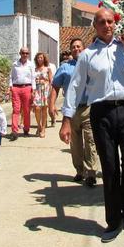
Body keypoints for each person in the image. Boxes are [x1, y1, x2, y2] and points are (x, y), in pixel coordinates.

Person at [60, 9, 124, 242]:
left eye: (110, 21)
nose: (107, 25)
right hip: (101, 113)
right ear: (95, 26)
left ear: (115, 23)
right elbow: (76, 87)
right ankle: (114, 221)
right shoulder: (88, 55)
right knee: (109, 168)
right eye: (102, 22)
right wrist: (67, 120)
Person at [49, 38, 99, 186]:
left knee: (90, 141)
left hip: (89, 108)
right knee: (75, 143)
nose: (76, 49)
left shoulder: (91, 65)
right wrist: (51, 104)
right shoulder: (64, 68)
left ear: (84, 49)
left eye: (79, 46)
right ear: (70, 50)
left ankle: (91, 172)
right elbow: (55, 86)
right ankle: (79, 170)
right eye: (73, 47)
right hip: (71, 111)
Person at [9, 46, 34, 139]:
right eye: (23, 53)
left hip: (27, 87)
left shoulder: (31, 65)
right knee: (16, 109)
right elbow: (11, 76)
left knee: (26, 109)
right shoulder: (15, 64)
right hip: (16, 88)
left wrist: (33, 90)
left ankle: (26, 128)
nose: (25, 55)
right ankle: (14, 131)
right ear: (20, 53)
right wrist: (11, 87)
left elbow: (33, 77)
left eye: (27, 53)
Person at [32, 52, 52, 138]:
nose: (40, 59)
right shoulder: (34, 69)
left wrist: (50, 94)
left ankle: (43, 128)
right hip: (36, 90)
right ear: (36, 59)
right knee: (36, 108)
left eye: (41, 57)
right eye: (38, 58)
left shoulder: (48, 69)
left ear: (44, 59)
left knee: (44, 109)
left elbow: (51, 81)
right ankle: (39, 125)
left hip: (45, 90)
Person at [48, 59, 57, 126]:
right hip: (41, 89)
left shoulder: (52, 66)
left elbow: (56, 76)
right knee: (42, 107)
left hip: (51, 88)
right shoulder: (38, 67)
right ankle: (43, 124)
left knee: (51, 106)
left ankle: (53, 117)